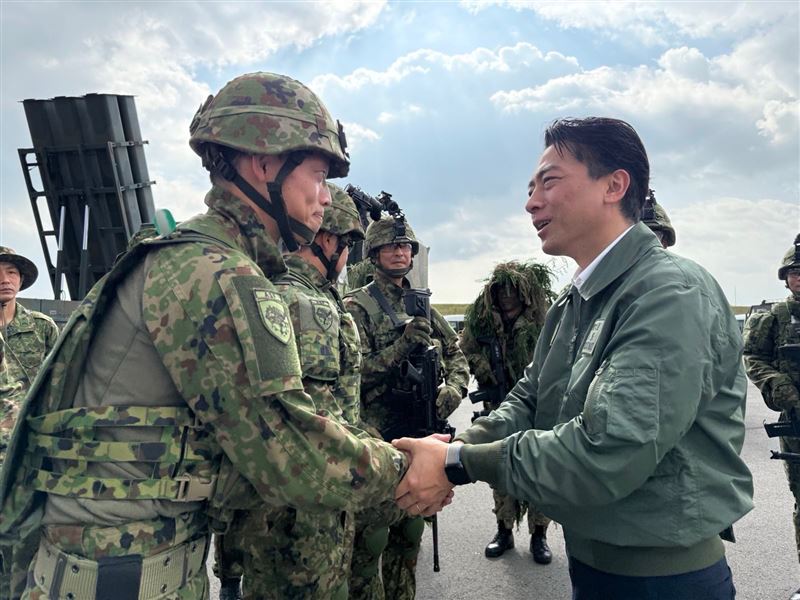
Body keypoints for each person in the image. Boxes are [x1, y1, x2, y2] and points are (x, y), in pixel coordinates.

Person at [0, 72, 419, 600]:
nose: (324, 198)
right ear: (264, 163)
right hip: (125, 575)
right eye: (317, 175)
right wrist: (411, 466)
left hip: (121, 565)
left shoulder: (188, 257)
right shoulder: (217, 273)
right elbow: (291, 458)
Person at [393, 117, 753, 600]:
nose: (531, 202)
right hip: (593, 561)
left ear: (614, 185)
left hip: (661, 577)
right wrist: (455, 445)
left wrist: (457, 462)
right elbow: (530, 397)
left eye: (550, 181)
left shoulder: (668, 292)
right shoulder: (575, 300)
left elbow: (608, 449)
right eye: (530, 187)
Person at [217, 183, 367, 599]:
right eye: (348, 245)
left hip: (281, 508)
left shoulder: (282, 291)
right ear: (329, 240)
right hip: (306, 515)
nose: (348, 257)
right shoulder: (304, 305)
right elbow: (317, 423)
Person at [344, 216, 469, 599]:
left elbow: (456, 354)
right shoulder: (358, 306)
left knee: (410, 531)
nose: (400, 252)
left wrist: (453, 391)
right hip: (376, 437)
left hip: (418, 432)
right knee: (371, 541)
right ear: (374, 253)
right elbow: (353, 372)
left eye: (406, 247)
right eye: (391, 247)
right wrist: (402, 345)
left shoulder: (422, 304)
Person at [459, 260, 555, 563]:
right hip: (498, 404)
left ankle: (539, 535)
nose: (508, 298)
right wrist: (482, 367)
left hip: (536, 406)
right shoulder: (485, 321)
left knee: (540, 471)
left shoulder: (541, 320)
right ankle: (504, 530)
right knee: (499, 471)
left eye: (514, 292)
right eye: (502, 292)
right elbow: (466, 347)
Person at [743, 233, 800, 600]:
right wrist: (779, 386)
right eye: (795, 271)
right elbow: (753, 357)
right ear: (786, 277)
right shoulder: (775, 316)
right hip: (797, 422)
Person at [0, 247, 59, 399]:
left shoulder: (42, 327)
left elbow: (58, 380)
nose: (4, 279)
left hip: (26, 419)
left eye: (11, 272)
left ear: (21, 280)